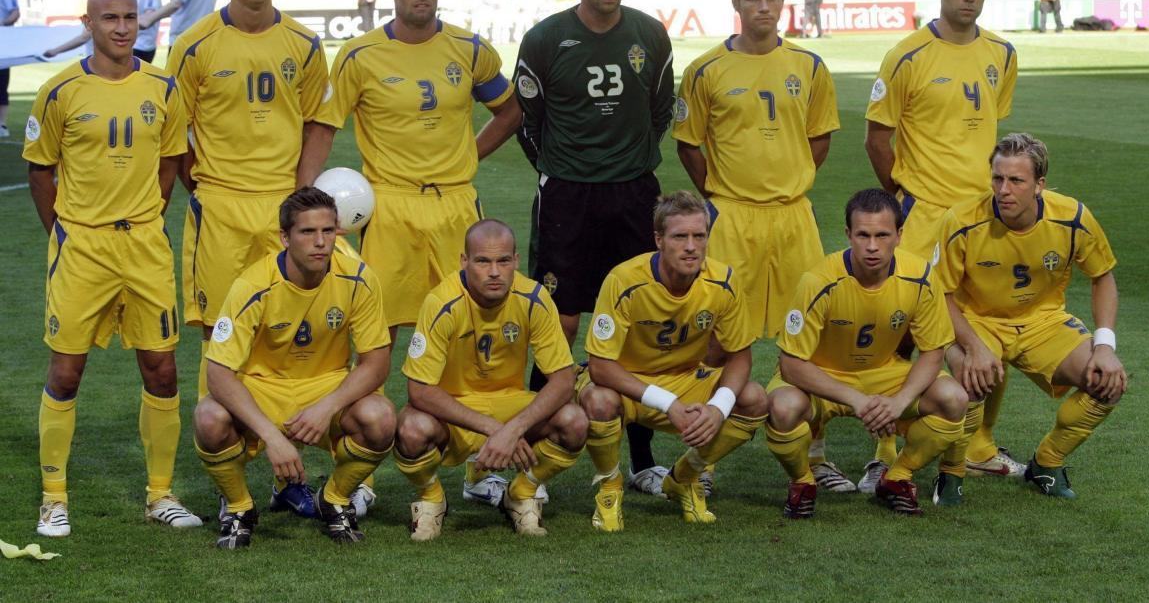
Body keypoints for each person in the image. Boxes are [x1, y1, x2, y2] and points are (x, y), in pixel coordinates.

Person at [168, 0, 334, 518]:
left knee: (290, 340)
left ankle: (289, 474)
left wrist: (300, 194)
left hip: (282, 210)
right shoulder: (194, 44)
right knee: (222, 341)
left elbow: (320, 119)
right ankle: (230, 486)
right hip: (221, 211)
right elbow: (174, 132)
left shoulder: (305, 44)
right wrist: (204, 186)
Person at [23, 0, 201, 537]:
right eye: (110, 19)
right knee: (67, 370)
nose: (122, 28)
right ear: (89, 24)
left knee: (163, 368)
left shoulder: (164, 88)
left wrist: (145, 217)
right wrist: (66, 233)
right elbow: (41, 171)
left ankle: (160, 494)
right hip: (83, 248)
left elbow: (171, 161)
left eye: (130, 18)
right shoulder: (60, 92)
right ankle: (54, 496)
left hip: (145, 245)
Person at [513, 0, 674, 492]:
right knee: (559, 319)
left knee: (634, 319)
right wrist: (564, 167)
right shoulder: (544, 39)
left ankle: (642, 458)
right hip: (568, 196)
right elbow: (529, 121)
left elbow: (659, 112)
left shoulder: (649, 35)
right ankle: (527, 449)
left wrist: (623, 165)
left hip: (633, 193)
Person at [300, 0, 519, 349]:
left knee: (466, 322)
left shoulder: (470, 49)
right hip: (390, 207)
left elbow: (510, 110)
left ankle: (458, 410)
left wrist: (470, 153)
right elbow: (324, 127)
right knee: (377, 327)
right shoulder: (358, 56)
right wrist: (303, 199)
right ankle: (370, 411)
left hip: (455, 203)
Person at [863, 0, 1018, 491]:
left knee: (985, 325)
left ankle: (979, 445)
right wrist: (904, 196)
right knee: (899, 330)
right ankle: (885, 446)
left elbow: (988, 129)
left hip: (982, 218)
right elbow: (877, 138)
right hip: (923, 215)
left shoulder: (1003, 52)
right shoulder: (907, 56)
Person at [193, 187, 396, 548]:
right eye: (307, 232)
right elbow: (219, 374)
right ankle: (238, 507)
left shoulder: (359, 278)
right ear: (284, 237)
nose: (320, 242)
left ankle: (334, 500)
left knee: (380, 417)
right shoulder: (251, 285)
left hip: (325, 387)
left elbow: (377, 364)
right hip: (262, 388)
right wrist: (272, 437)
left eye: (328, 231)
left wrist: (327, 407)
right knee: (209, 417)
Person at [934, 133, 1125, 499]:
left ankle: (1047, 463)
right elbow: (938, 295)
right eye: (997, 178)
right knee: (971, 377)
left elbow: (1103, 277)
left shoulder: (1073, 218)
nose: (1003, 190)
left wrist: (1104, 345)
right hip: (978, 321)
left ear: (1039, 185)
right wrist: (972, 346)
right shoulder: (961, 221)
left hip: (1044, 322)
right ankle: (952, 472)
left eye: (1016, 181)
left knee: (1108, 382)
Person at [765, 189, 967, 517]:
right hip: (823, 376)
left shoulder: (920, 276)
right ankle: (803, 481)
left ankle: (897, 476)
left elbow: (933, 352)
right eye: (863, 235)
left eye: (882, 235)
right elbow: (791, 365)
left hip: (883, 373)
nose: (872, 246)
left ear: (899, 235)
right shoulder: (818, 281)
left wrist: (899, 402)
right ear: (848, 235)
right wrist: (857, 400)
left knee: (954, 399)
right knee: (783, 407)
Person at [578, 190, 768, 531]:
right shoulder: (624, 280)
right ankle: (610, 486)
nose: (691, 247)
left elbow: (740, 356)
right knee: (598, 401)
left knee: (753, 398)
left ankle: (684, 477)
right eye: (680, 236)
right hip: (626, 381)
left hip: (685, 377)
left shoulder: (723, 281)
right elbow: (600, 366)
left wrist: (717, 408)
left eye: (700, 236)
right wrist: (670, 404)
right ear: (659, 240)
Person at [676, 0, 839, 340]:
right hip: (731, 215)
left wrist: (792, 177)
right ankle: (724, 401)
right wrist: (718, 194)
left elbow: (820, 137)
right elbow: (688, 144)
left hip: (793, 215)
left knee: (809, 328)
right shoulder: (705, 69)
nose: (764, 7)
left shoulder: (809, 65)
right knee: (720, 332)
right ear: (736, 2)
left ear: (783, 1)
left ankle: (795, 402)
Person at [394, 220, 587, 540]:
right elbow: (419, 390)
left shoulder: (534, 298)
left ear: (516, 261)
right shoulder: (441, 301)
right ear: (464, 262)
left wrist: (514, 428)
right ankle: (431, 500)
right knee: (411, 429)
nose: (494, 271)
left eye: (503, 261)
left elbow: (563, 380)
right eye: (483, 261)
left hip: (509, 403)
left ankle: (521, 493)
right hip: (456, 408)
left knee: (575, 421)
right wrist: (496, 430)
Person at [0, 0, 20, 137]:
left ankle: (2, 124)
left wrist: (3, 24)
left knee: (1, 81)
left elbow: (15, 12)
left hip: (2, 43)